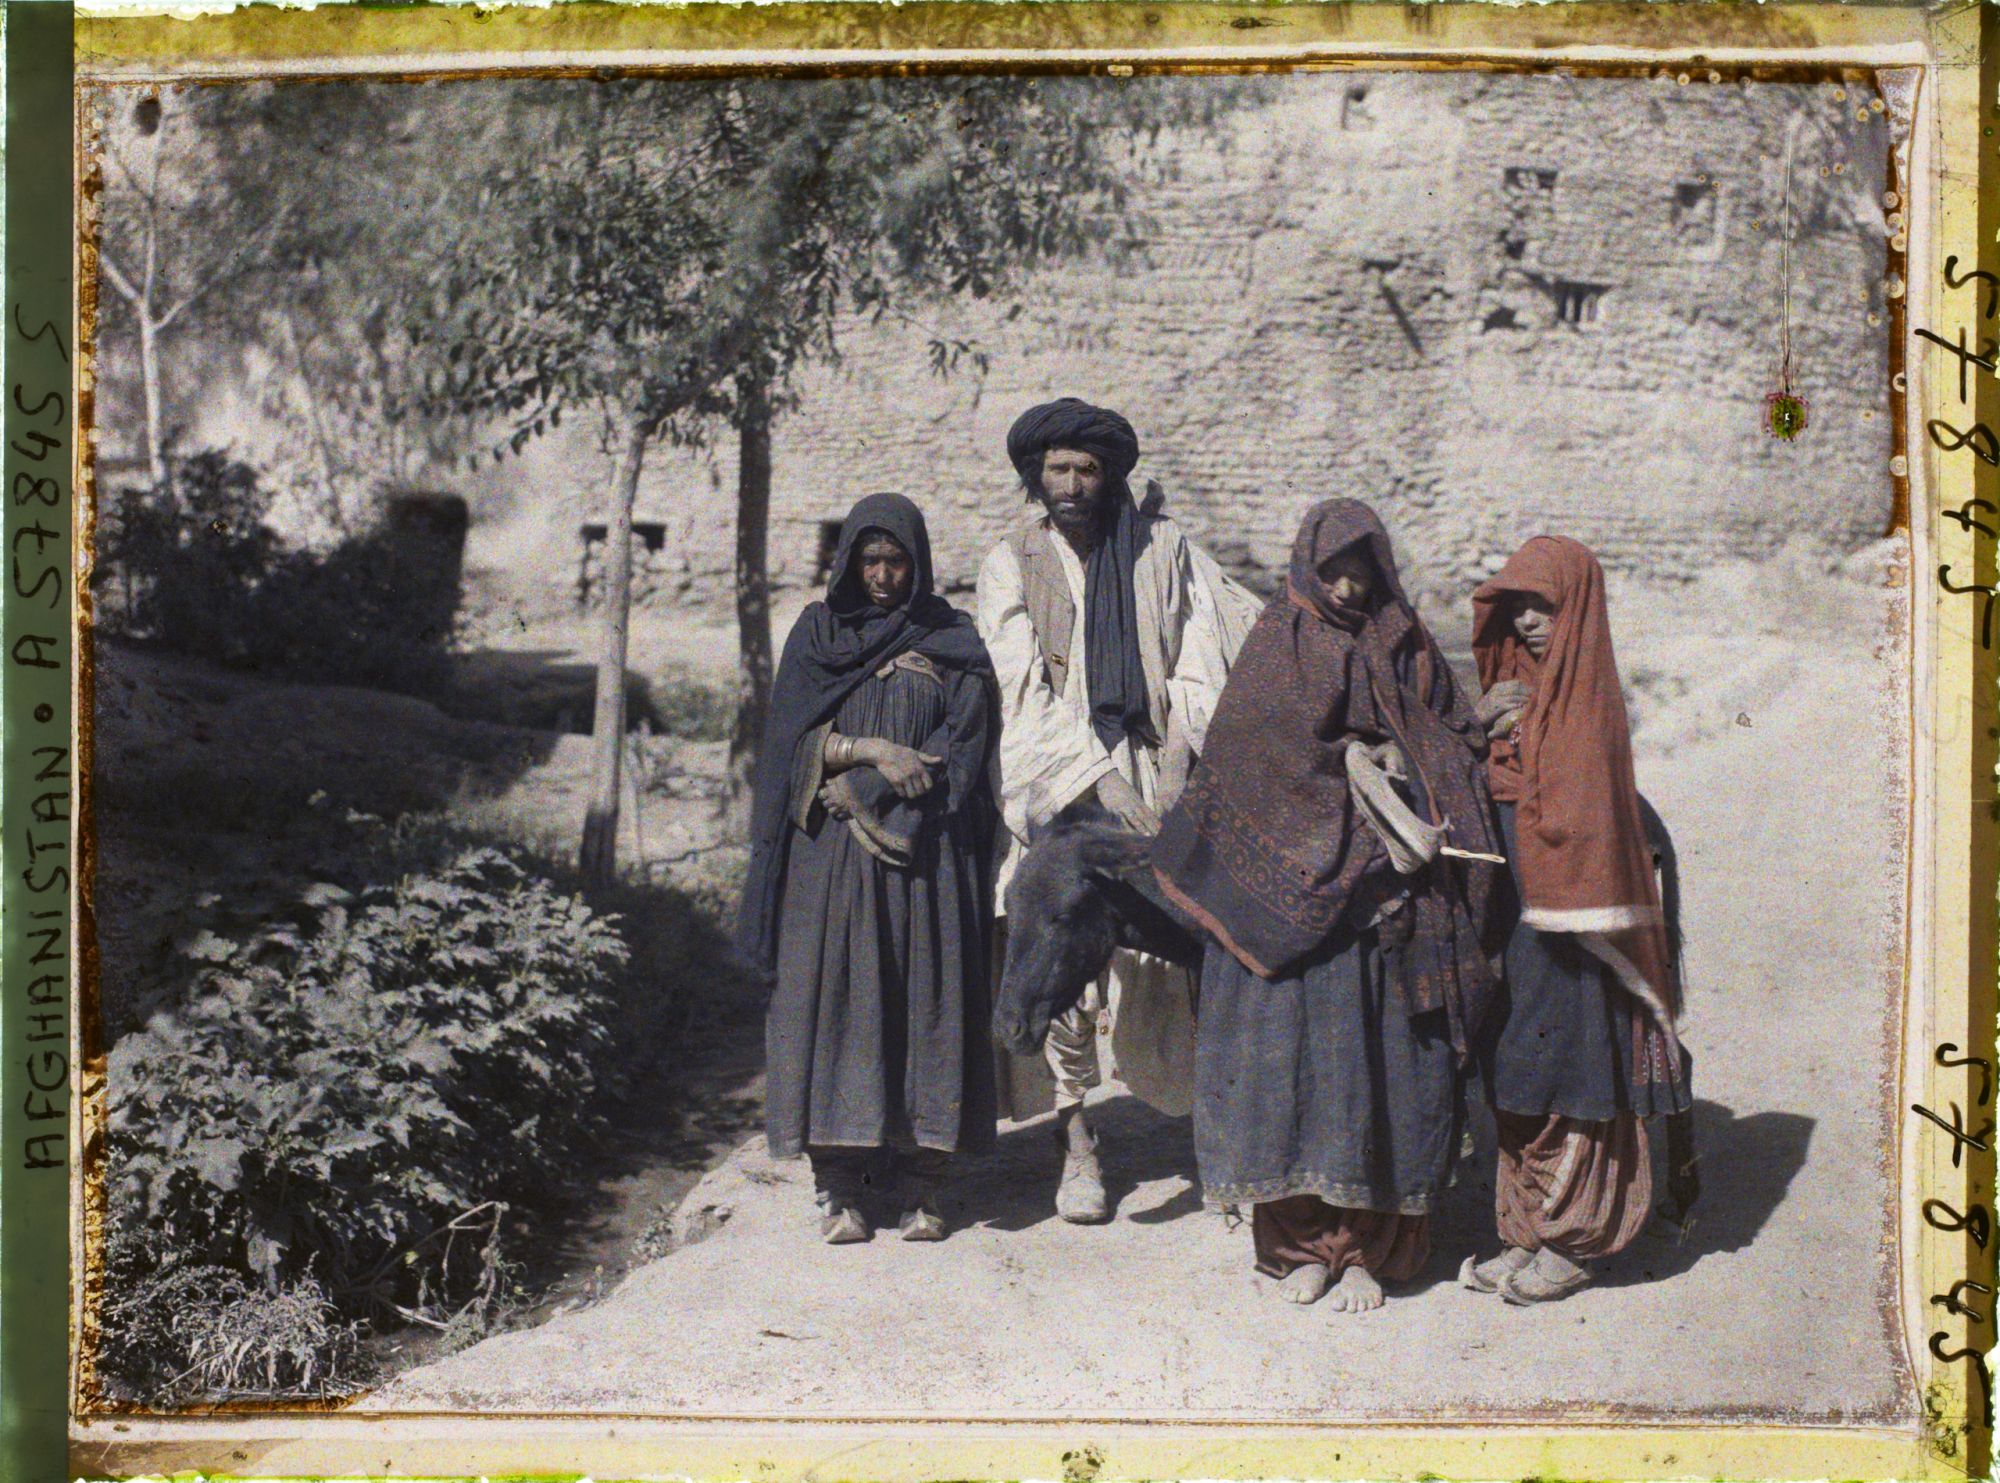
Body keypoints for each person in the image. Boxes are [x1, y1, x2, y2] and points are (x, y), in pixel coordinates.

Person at [1153, 499, 1506, 1311]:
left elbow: (1453, 740)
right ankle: (1300, 1248)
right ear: (1310, 562)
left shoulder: (1406, 643)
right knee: (1292, 1073)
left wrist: (1398, 753)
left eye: (1365, 569)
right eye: (1337, 567)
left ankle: (1369, 1254)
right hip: (1291, 915)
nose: (1349, 586)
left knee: (1383, 1071)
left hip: (1386, 904)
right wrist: (1338, 765)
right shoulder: (1279, 639)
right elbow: (1251, 760)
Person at [976, 397, 1253, 1224]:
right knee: (1060, 952)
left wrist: (1173, 766)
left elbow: (1203, 657)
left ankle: (1215, 1141)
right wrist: (1104, 785)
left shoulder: (1164, 550)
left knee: (1176, 945)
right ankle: (1079, 1147)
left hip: (1158, 764)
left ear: (1110, 475)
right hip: (1059, 779)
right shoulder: (1011, 560)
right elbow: (1018, 687)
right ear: (1037, 476)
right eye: (1057, 469)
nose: (1072, 483)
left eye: (1087, 469)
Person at [737, 493, 999, 1244]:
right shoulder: (819, 634)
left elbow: (968, 742)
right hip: (834, 855)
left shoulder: (952, 637)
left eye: (897, 561)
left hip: (927, 848)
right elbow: (790, 738)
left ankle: (922, 1187)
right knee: (839, 1000)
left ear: (918, 564)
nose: (883, 576)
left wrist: (879, 786)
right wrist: (869, 751)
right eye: (870, 560)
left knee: (924, 998)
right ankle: (842, 1186)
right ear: (848, 561)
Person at [1462, 534, 1693, 1303]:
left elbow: (1583, 817)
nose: (1529, 622)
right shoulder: (1507, 697)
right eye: (1517, 606)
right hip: (1514, 920)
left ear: (1578, 611)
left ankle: (1577, 1233)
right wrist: (1474, 730)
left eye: (1546, 606)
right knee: (1516, 1057)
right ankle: (1525, 1225)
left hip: (1575, 927)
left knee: (1573, 1060)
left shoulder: (1587, 706)